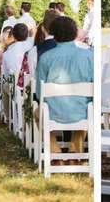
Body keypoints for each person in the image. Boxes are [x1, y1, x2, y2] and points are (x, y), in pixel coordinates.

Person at [35, 16, 93, 157]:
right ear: (74, 33)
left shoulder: (45, 57)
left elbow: (39, 92)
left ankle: (54, 152)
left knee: (37, 113)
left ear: (54, 35)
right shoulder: (89, 56)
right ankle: (75, 153)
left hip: (53, 113)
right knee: (90, 108)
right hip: (82, 112)